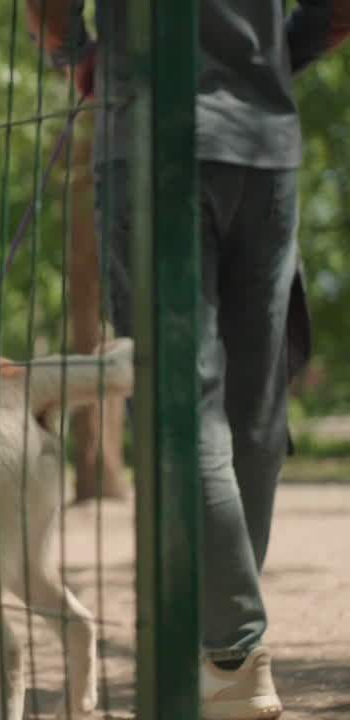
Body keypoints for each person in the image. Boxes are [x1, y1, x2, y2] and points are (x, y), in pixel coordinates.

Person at [25, 1, 348, 718]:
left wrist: (77, 52)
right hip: (265, 144)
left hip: (149, 133)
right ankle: (222, 651)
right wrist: (279, 52)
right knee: (254, 407)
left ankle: (232, 652)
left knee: (183, 402)